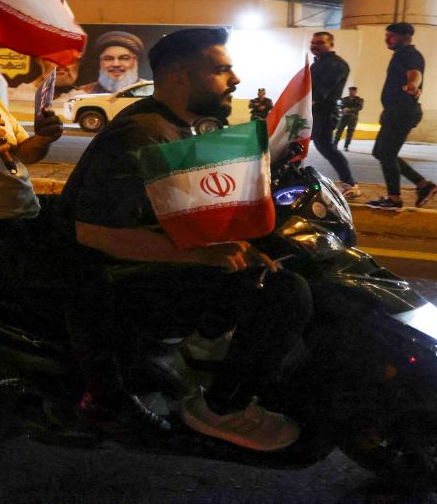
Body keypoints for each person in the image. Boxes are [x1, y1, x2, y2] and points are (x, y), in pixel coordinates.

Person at [0, 6, 169, 433]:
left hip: (27, 218)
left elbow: (20, 156)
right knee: (85, 278)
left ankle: (137, 356)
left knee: (114, 234)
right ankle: (104, 397)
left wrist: (42, 137)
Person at [62, 27, 313, 451]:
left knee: (269, 256)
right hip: (113, 278)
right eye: (221, 70)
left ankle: (205, 346)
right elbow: (95, 232)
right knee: (285, 292)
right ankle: (222, 408)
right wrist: (204, 255)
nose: (235, 79)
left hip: (144, 263)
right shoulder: (140, 133)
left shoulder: (171, 124)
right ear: (179, 76)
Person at [366, 23, 437, 210]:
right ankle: (423, 185)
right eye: (387, 35)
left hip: (403, 111)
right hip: (396, 111)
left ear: (406, 37)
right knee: (380, 152)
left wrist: (413, 85)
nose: (387, 39)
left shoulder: (409, 54)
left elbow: (415, 73)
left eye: (391, 35)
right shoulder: (400, 55)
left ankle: (394, 198)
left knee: (387, 154)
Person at [309, 31, 360, 198]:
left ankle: (350, 183)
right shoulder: (316, 65)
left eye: (320, 42)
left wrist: (308, 103)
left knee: (326, 147)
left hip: (324, 113)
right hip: (312, 111)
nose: (315, 45)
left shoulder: (337, 65)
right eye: (313, 42)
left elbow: (323, 91)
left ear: (331, 44)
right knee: (303, 145)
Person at [75, 30, 144, 94]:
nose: (116, 64)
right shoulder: (83, 93)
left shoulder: (149, 91)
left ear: (135, 61)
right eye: (108, 59)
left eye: (124, 58)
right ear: (101, 62)